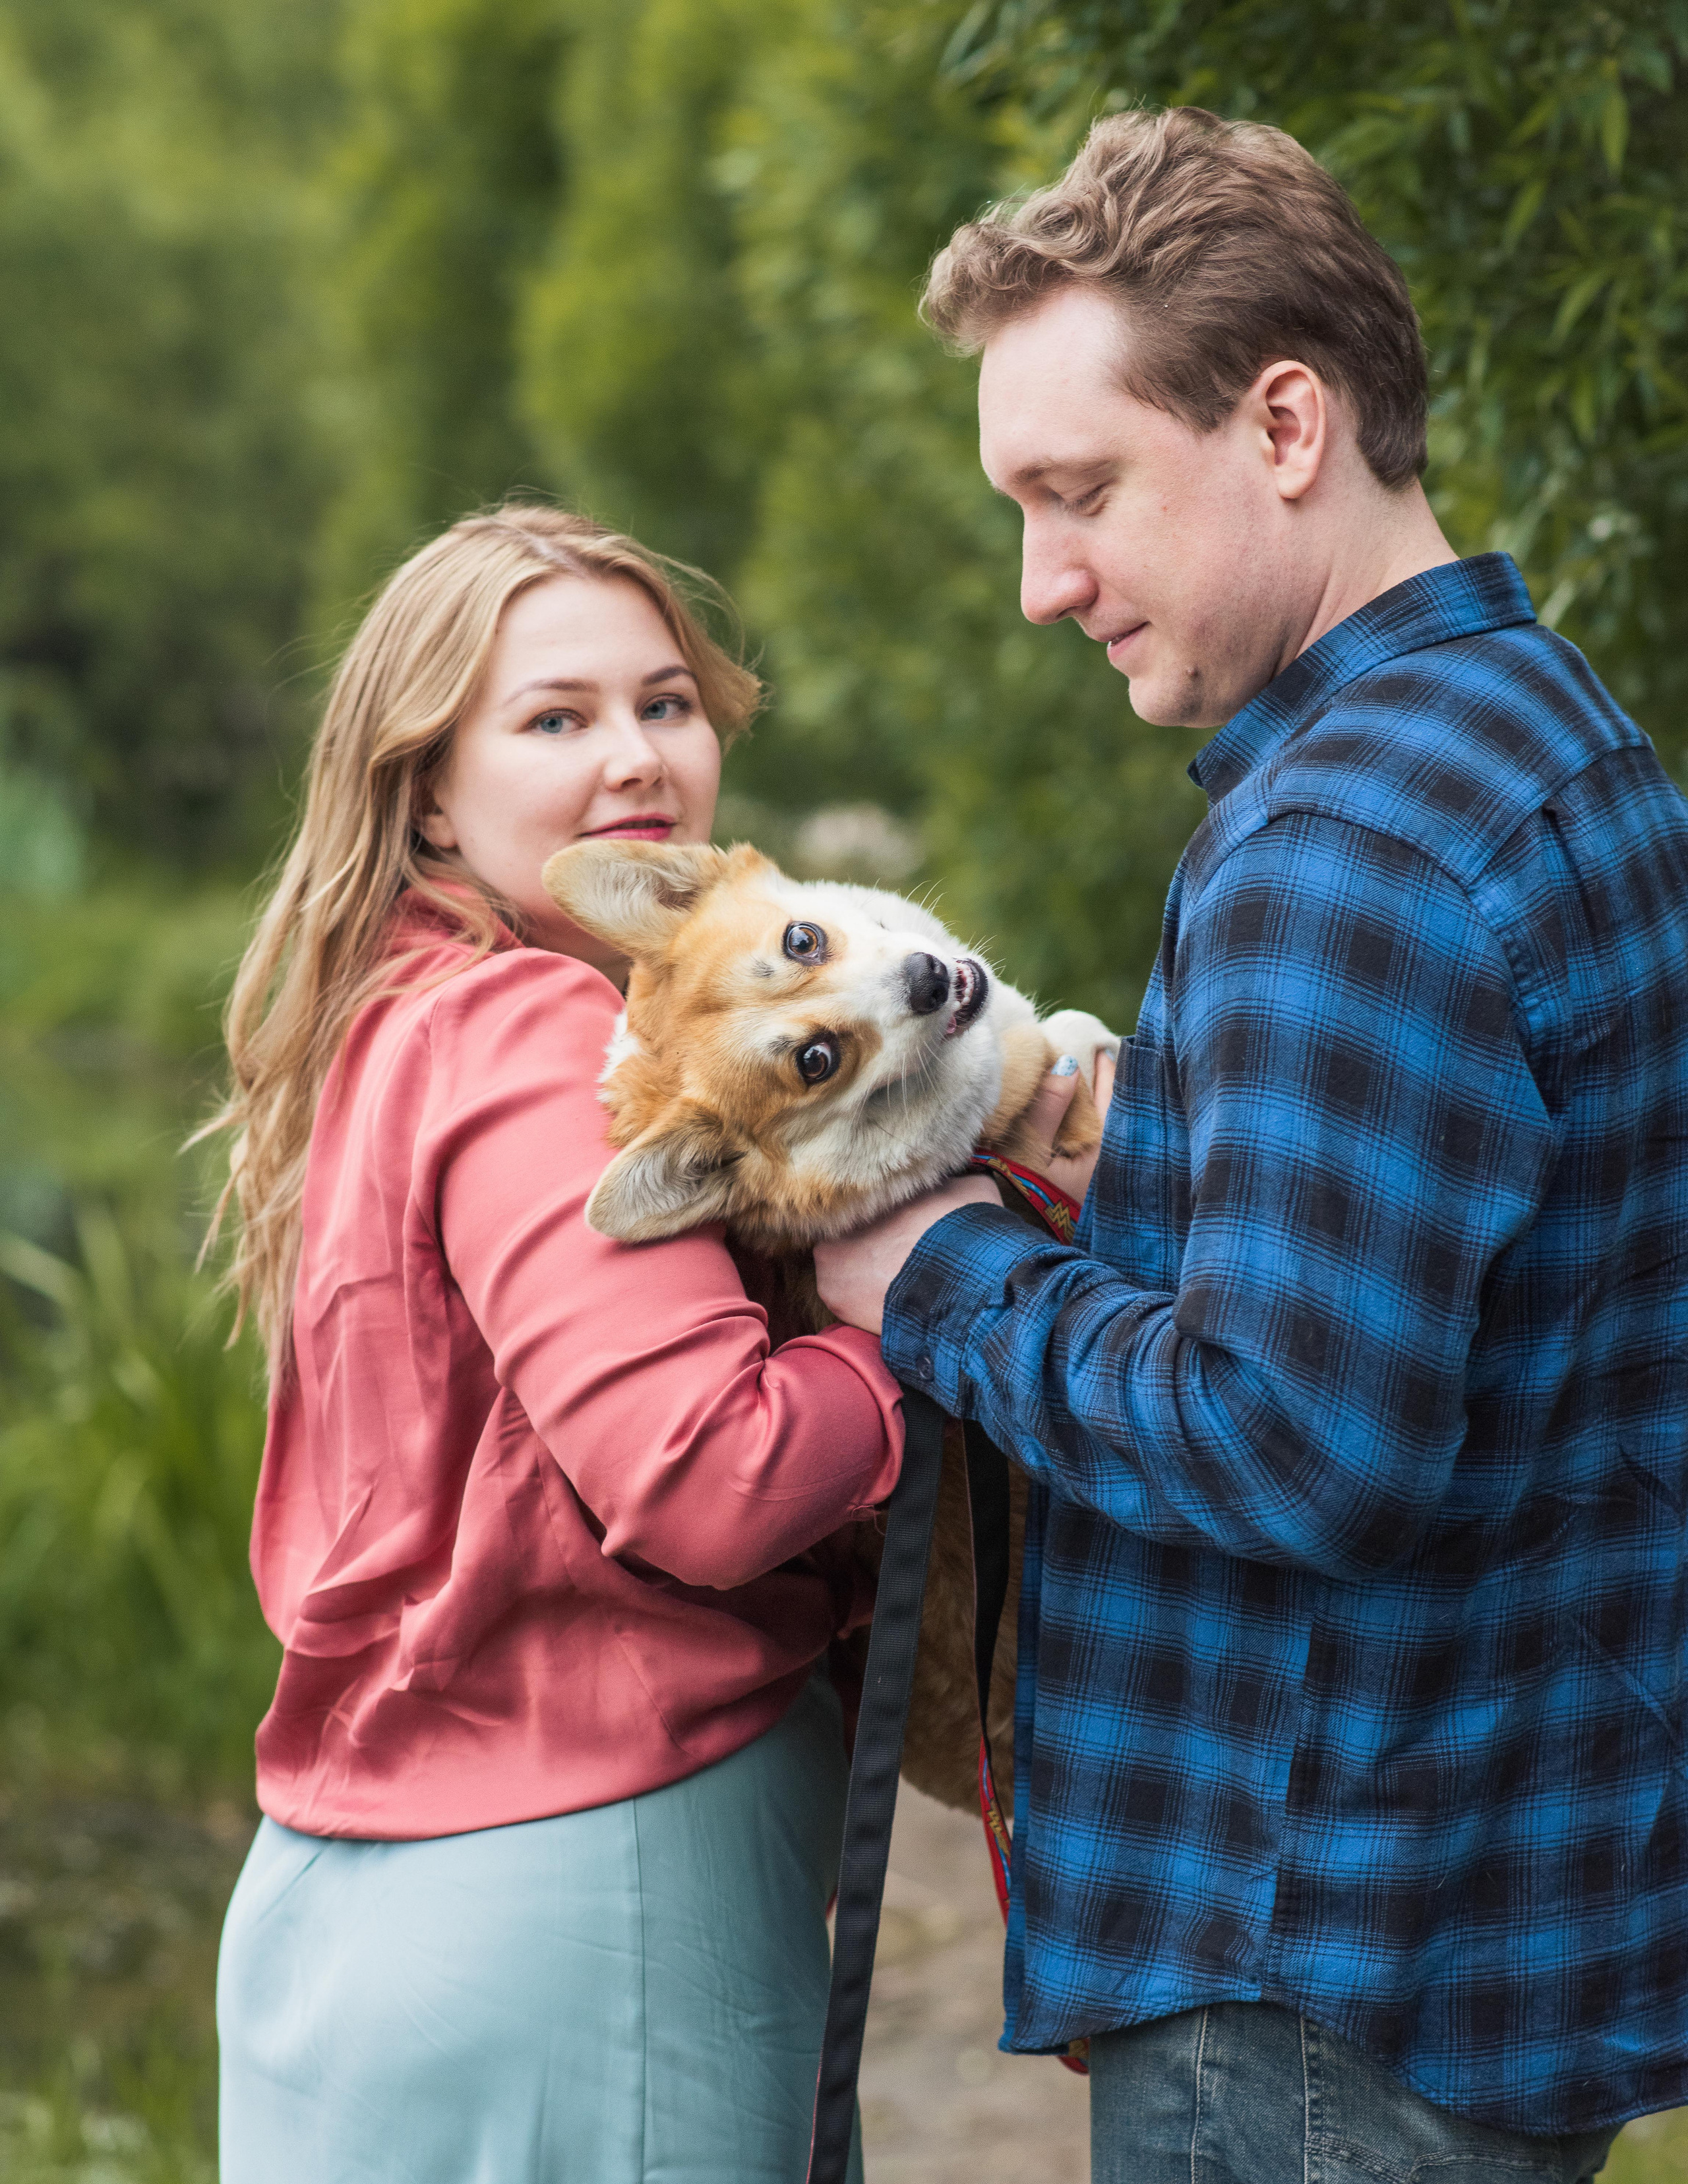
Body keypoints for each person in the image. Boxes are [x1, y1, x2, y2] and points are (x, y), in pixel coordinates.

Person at [816, 107, 1688, 2183]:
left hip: (1315, 1975)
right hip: (1471, 1927)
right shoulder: (1562, 737)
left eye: (1079, 493)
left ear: (1285, 421)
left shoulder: (1346, 851)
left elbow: (1296, 1436)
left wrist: (926, 1273)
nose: (1044, 585)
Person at [208, 503, 903, 2184]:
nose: (635, 759)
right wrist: (917, 1319)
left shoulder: (390, 1016)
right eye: (556, 718)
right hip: (594, 1894)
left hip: (363, 1889)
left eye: (665, 703)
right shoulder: (539, 1026)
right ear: (426, 784)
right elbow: (709, 1475)